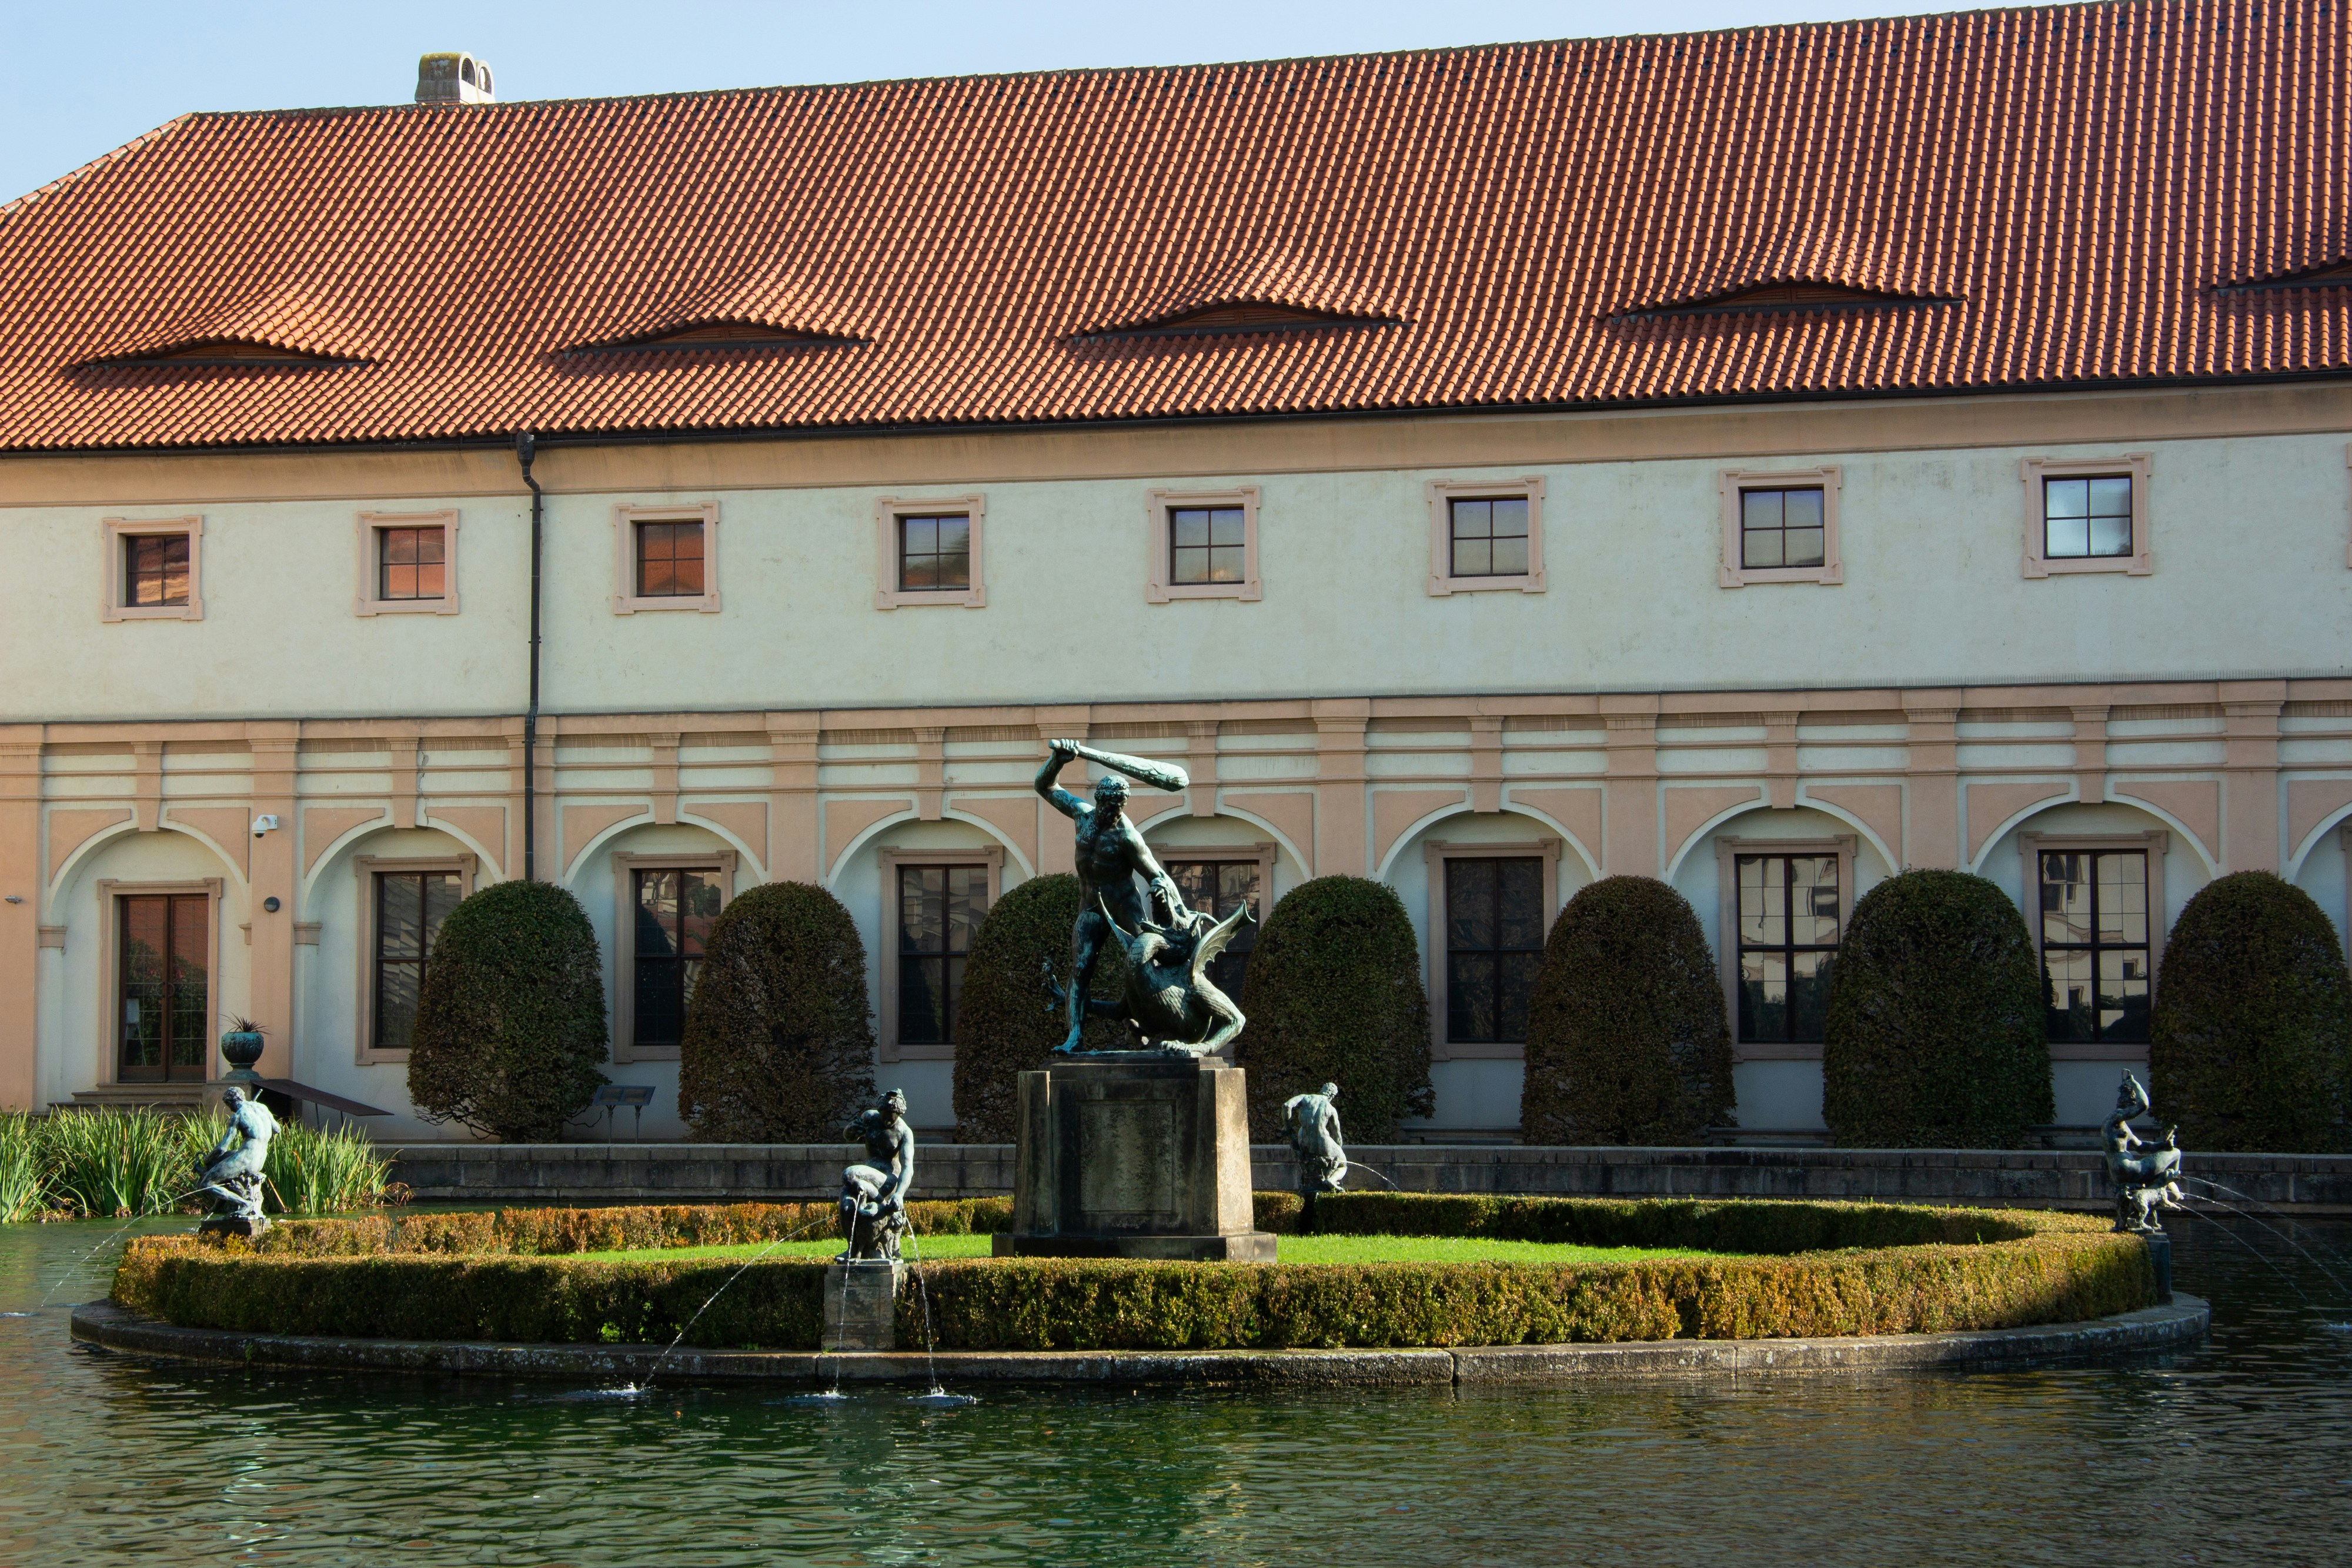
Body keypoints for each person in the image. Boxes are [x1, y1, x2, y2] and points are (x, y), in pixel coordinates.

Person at [1035, 739, 1197, 1053]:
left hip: (1125, 907)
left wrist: (1163, 889)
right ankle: (1075, 1039)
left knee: (1147, 967)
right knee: (1080, 969)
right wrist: (1058, 759)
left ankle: (1170, 1025)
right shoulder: (1081, 815)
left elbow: (1155, 873)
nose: (1115, 812)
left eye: (1120, 807)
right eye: (1110, 806)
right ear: (1099, 802)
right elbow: (1045, 786)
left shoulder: (1127, 836)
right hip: (1092, 907)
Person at [838, 1088, 916, 1261]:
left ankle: (883, 1202)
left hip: (888, 1179)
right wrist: (851, 1130)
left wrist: (900, 1194)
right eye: (885, 1114)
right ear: (879, 1111)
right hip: (867, 1176)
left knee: (849, 1175)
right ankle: (852, 1249)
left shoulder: (904, 1132)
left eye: (893, 1116)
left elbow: (908, 1168)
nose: (888, 1119)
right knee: (846, 1204)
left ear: (899, 1113)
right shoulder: (869, 1118)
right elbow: (848, 1136)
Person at [197, 1086, 278, 1233]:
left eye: (229, 1105)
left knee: (206, 1183)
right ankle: (220, 1205)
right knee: (226, 1159)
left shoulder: (238, 1116)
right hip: (260, 1160)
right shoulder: (262, 1108)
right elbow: (277, 1129)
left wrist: (207, 1159)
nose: (230, 1109)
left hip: (246, 1159)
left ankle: (245, 1203)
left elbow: (222, 1147)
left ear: (231, 1101)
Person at [1282, 1082, 1349, 1195]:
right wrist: (1337, 1151)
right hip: (1323, 1142)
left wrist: (1287, 1126)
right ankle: (1331, 1180)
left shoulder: (1305, 1098)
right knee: (1343, 1164)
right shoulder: (1331, 1108)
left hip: (1304, 1141)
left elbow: (1287, 1106)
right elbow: (1337, 1135)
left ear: (1322, 1089)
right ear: (1332, 1096)